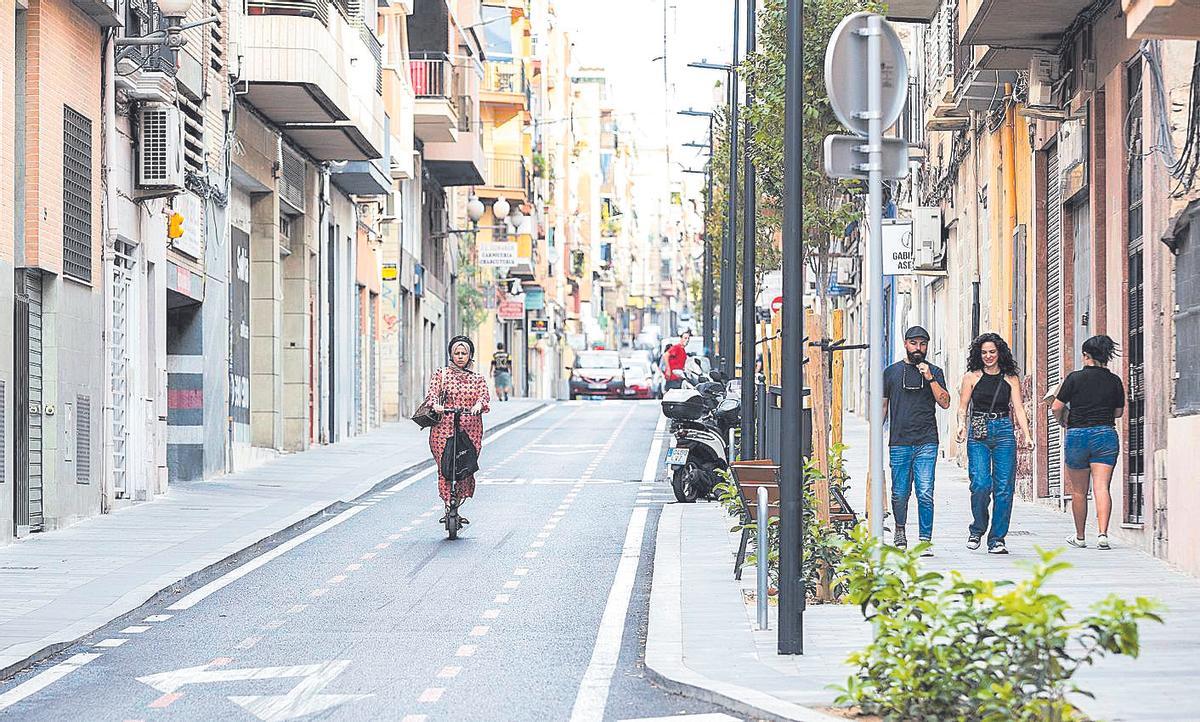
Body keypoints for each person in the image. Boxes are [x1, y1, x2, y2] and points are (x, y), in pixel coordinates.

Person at [956, 333, 1034, 555]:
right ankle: (977, 528)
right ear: (978, 355)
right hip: (978, 431)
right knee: (980, 484)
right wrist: (961, 425)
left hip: (1003, 431)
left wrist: (1027, 435)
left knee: (1003, 488)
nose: (988, 356)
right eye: (984, 352)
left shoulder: (1010, 378)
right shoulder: (971, 377)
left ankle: (997, 538)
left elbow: (1018, 408)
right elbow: (963, 407)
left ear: (999, 352)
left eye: (992, 352)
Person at [1051, 335, 1125, 551]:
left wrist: (1062, 420)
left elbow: (1056, 406)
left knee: (1078, 491)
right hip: (1105, 434)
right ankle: (1102, 535)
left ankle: (1080, 536)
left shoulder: (1074, 378)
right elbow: (1118, 412)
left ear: (1086, 356)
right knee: (1102, 487)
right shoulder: (1114, 381)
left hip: (1078, 436)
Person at [882, 326, 951, 555]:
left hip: (927, 441)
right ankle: (900, 529)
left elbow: (945, 402)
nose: (918, 349)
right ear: (905, 344)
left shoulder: (936, 371)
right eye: (914, 344)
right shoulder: (891, 372)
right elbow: (883, 405)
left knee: (925, 491)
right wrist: (875, 438)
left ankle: (924, 540)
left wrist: (929, 377)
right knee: (900, 492)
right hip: (900, 441)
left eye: (922, 344)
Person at [425, 336, 491, 525]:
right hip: (443, 428)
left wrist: (479, 404)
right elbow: (432, 393)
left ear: (470, 356)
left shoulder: (477, 378)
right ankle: (448, 503)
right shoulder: (441, 374)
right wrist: (436, 405)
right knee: (445, 466)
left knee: (465, 466)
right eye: (457, 353)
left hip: (470, 428)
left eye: (464, 353)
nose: (460, 356)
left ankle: (458, 501)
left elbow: (484, 396)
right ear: (451, 355)